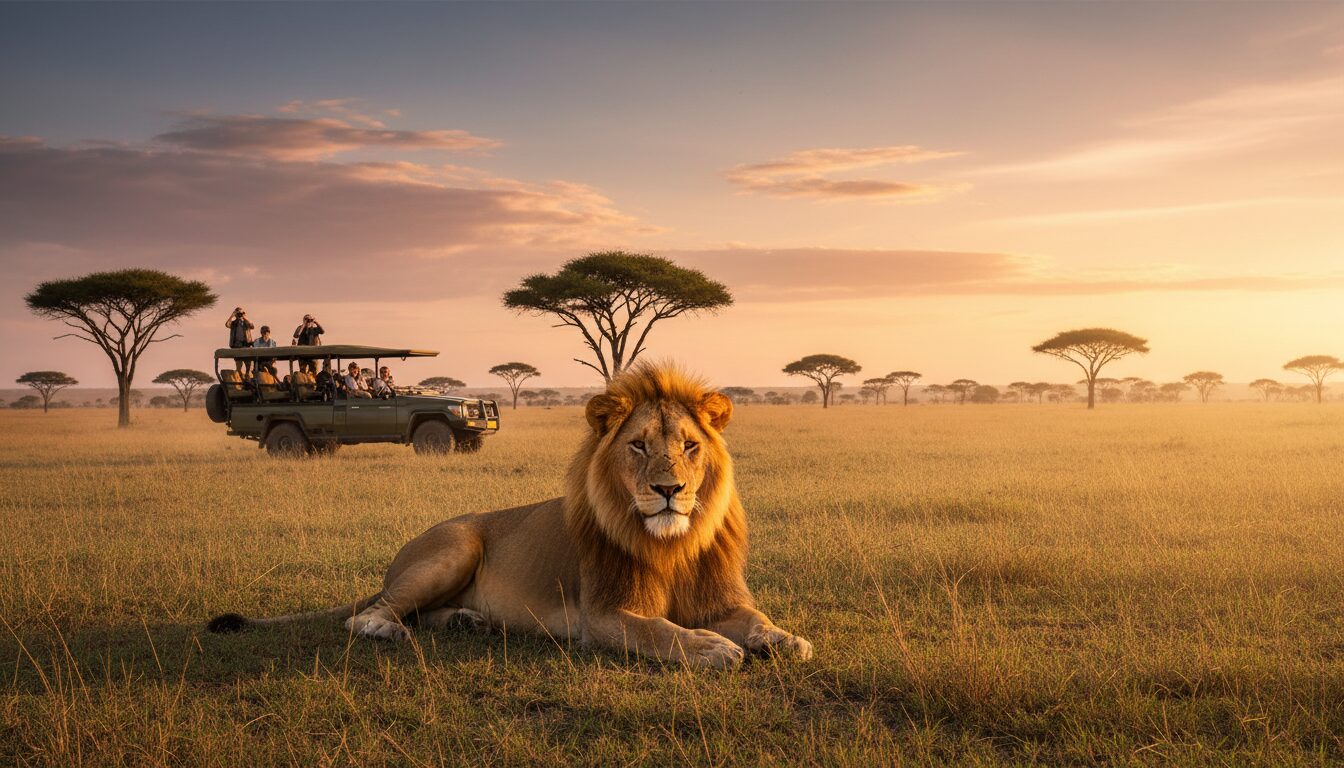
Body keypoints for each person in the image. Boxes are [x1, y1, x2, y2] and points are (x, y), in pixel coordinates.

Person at [225, 307, 255, 378]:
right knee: (238, 365)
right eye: (238, 313)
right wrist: (232, 315)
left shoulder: (246, 323)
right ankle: (242, 378)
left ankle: (247, 377)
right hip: (237, 345)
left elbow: (252, 326)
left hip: (246, 345)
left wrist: (244, 317)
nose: (239, 315)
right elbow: (227, 324)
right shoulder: (233, 323)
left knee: (248, 364)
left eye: (241, 313)